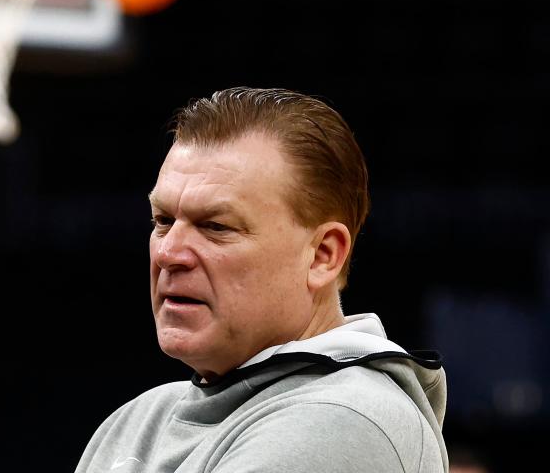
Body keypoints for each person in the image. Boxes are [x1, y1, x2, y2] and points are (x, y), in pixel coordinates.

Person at [75, 87, 448, 473]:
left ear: (323, 255)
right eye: (163, 221)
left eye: (216, 226)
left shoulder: (344, 418)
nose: (169, 253)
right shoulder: (135, 422)